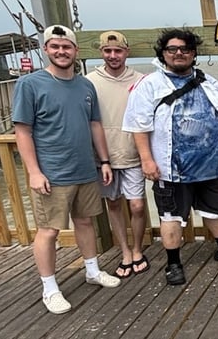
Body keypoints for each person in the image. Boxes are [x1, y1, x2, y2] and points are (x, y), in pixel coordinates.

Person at [123, 28, 218, 286]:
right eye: (172, 49)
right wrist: (147, 161)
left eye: (185, 49)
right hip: (171, 168)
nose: (179, 53)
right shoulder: (149, 85)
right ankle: (173, 263)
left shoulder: (208, 81)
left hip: (211, 164)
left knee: (215, 210)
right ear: (163, 53)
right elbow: (139, 125)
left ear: (193, 54)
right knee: (171, 217)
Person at [12, 25, 121, 315]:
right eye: (55, 46)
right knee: (48, 231)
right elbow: (22, 131)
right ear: (45, 49)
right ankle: (50, 288)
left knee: (85, 222)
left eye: (67, 46)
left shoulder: (86, 85)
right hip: (52, 171)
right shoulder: (30, 84)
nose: (61, 51)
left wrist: (104, 160)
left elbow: (94, 124)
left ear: (76, 51)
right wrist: (34, 171)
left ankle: (92, 270)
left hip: (85, 168)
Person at [85, 31, 149, 279]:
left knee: (137, 205)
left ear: (127, 52)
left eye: (118, 51)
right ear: (101, 52)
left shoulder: (142, 80)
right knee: (113, 204)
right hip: (104, 158)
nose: (113, 55)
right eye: (107, 51)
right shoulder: (89, 81)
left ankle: (137, 249)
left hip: (133, 153)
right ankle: (124, 251)